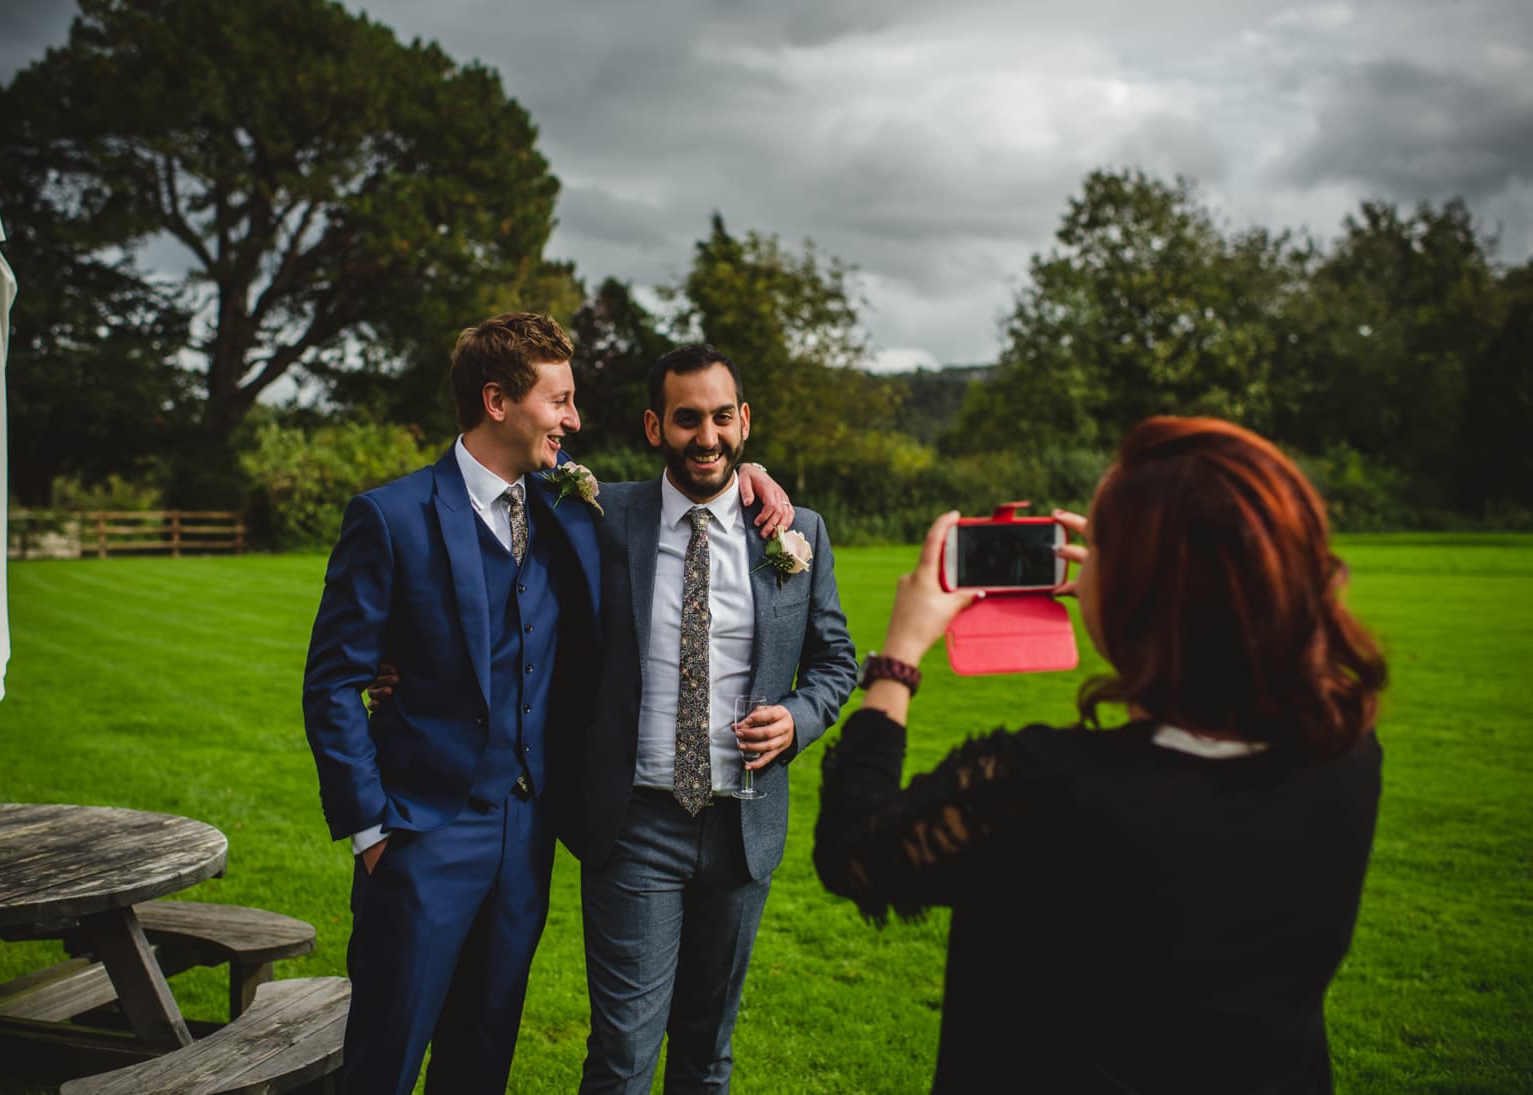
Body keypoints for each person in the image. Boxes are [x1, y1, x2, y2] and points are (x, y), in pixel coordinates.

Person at [814, 416, 1388, 1095]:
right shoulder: (1345, 754)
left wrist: (898, 659)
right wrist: (1135, 593)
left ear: (1142, 595)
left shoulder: (1048, 787)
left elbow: (856, 850)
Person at [301, 314, 788, 1094]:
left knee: (482, 1059)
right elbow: (330, 682)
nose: (574, 418)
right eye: (560, 400)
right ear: (498, 401)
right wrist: (370, 828)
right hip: (420, 835)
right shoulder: (391, 517)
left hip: (527, 839)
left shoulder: (571, 509)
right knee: (384, 1062)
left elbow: (697, 474)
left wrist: (752, 473)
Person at [576, 344, 858, 1094]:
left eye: (722, 417)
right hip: (636, 826)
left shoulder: (797, 533)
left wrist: (799, 717)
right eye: (687, 418)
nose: (707, 436)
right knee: (624, 1055)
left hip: (743, 831)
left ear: (745, 420)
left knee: (707, 1055)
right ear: (653, 425)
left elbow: (836, 663)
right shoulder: (604, 518)